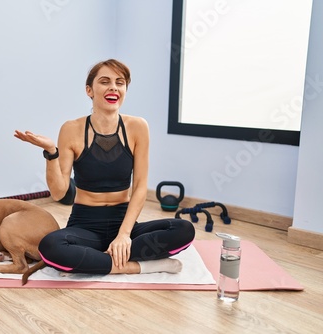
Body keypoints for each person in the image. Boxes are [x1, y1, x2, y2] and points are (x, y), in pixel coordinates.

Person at [14, 59, 195, 275]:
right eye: (105, 81)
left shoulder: (138, 127)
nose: (113, 87)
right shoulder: (71, 129)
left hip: (124, 221)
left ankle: (96, 260)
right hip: (85, 225)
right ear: (89, 90)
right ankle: (137, 267)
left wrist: (124, 235)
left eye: (120, 82)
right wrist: (51, 153)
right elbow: (58, 192)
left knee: (183, 229)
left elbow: (139, 188)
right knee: (50, 247)